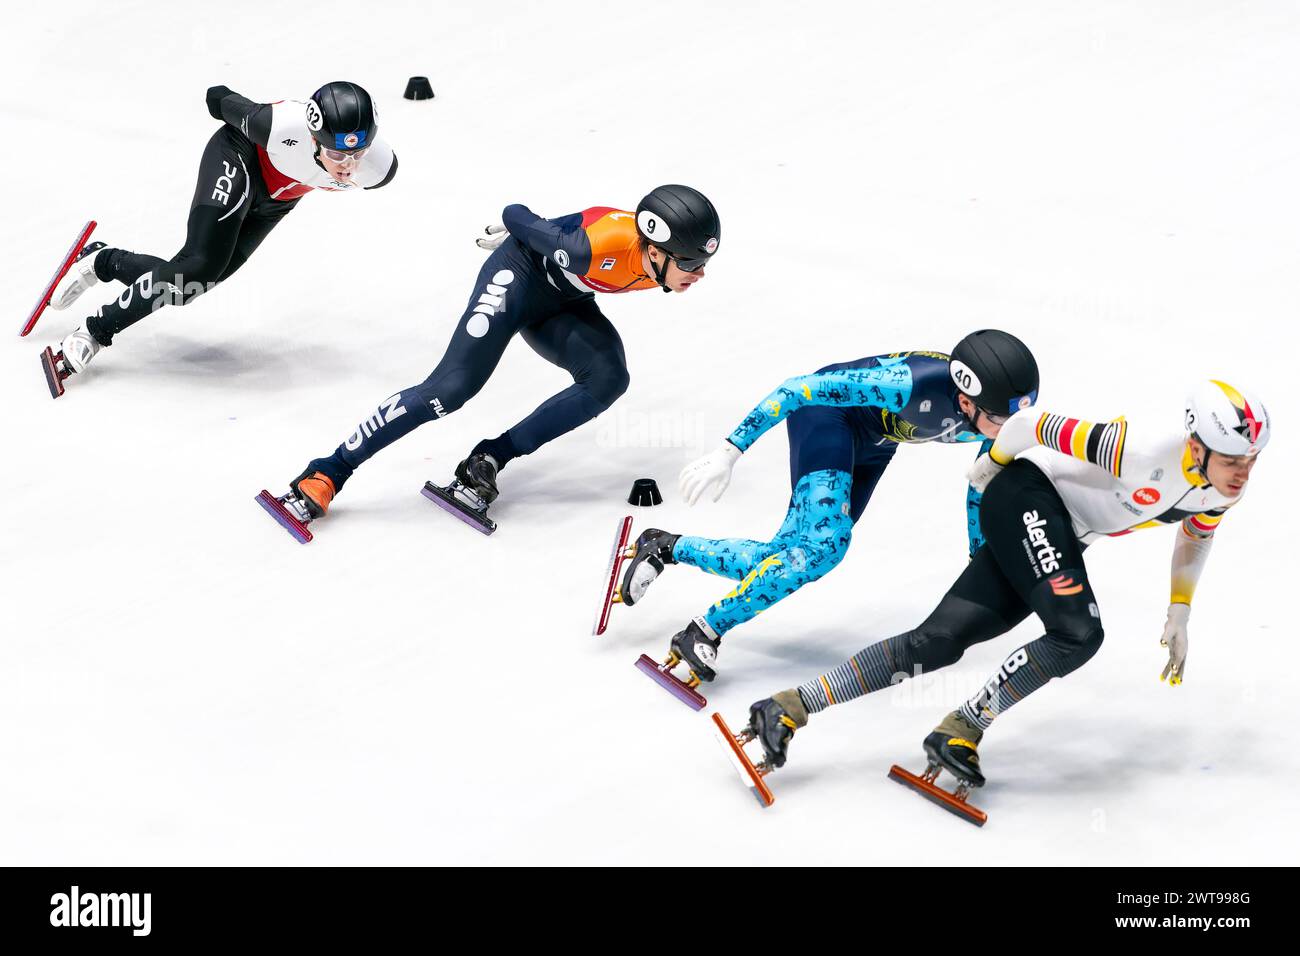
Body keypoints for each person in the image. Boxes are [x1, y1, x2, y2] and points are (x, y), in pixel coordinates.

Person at [739, 379, 1270, 791]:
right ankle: (965, 725)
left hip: (1057, 535)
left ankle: (788, 706)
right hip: (1027, 498)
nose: (1242, 472)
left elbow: (1197, 537)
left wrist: (1180, 609)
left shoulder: (1222, 488)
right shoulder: (1137, 448)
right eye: (1230, 460)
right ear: (1196, 445)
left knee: (939, 642)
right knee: (1078, 633)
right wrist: (991, 467)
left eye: (1250, 460)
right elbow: (1031, 421)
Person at [268, 184, 721, 531]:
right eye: (691, 264)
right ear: (656, 251)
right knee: (450, 390)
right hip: (519, 277)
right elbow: (516, 212)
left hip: (566, 302)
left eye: (703, 265)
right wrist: (530, 234)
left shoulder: (656, 263)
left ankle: (488, 459)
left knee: (608, 378)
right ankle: (329, 470)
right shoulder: (595, 248)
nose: (699, 275)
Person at [622, 330, 1039, 690]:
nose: (1010, 430)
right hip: (827, 415)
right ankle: (704, 630)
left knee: (786, 560)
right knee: (823, 547)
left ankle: (665, 547)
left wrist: (978, 556)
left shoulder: (1002, 417)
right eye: (1001, 419)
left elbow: (982, 483)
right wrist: (729, 451)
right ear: (966, 401)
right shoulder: (908, 383)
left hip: (877, 442)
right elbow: (797, 389)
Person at [43, 81, 397, 393]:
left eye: (357, 153)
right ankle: (93, 333)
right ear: (313, 136)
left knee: (188, 288)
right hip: (238, 156)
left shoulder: (378, 168)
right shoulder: (277, 126)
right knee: (196, 266)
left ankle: (102, 260)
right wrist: (242, 109)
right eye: (336, 153)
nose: (348, 164)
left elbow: (355, 162)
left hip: (275, 203)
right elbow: (219, 98)